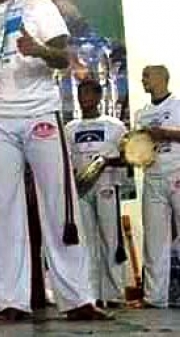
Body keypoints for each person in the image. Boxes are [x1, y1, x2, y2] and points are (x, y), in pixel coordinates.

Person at [0, 0, 110, 322]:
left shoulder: (38, 6)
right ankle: (11, 300)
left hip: (39, 111)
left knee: (60, 203)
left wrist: (38, 48)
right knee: (2, 208)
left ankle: (77, 299)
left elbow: (63, 58)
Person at [66, 79, 128, 308]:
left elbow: (128, 156)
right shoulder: (70, 128)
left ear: (99, 96)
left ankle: (113, 294)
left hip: (106, 187)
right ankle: (90, 295)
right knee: (86, 243)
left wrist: (105, 161)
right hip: (81, 190)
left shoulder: (115, 126)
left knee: (111, 240)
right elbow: (67, 161)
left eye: (89, 93)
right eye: (81, 93)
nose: (84, 98)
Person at [135, 65, 180, 308]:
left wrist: (164, 133)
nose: (143, 80)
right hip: (152, 177)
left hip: (177, 173)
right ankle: (155, 297)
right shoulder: (141, 114)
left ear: (163, 78)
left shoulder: (178, 105)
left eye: (147, 76)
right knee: (154, 239)